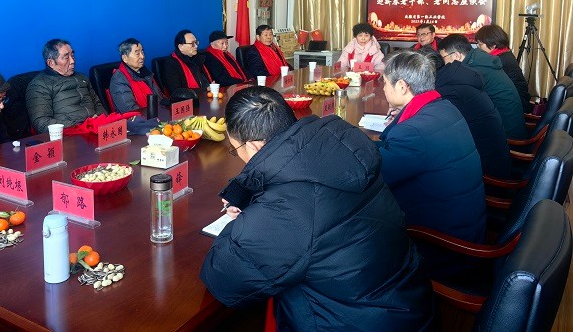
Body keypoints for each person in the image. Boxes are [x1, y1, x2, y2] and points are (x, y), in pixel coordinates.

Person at [200, 87, 434, 331]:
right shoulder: (341, 145)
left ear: (254, 146)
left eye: (235, 149)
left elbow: (223, 279)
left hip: (354, 323)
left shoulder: (288, 210)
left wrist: (241, 220)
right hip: (408, 302)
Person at [377, 51, 486, 248]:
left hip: (443, 245)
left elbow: (376, 175)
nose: (383, 88)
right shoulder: (444, 106)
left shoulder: (413, 132)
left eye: (384, 82)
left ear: (402, 86)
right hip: (467, 226)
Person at [419, 47, 511, 179]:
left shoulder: (447, 91)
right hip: (493, 159)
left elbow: (429, 132)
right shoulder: (454, 78)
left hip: (487, 174)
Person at [438, 34, 527, 139]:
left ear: (457, 55)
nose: (444, 63)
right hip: (511, 125)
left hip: (507, 135)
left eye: (443, 58)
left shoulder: (473, 71)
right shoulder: (478, 58)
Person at [26, 39, 105, 133]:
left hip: (96, 128)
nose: (72, 61)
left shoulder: (81, 77)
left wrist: (101, 119)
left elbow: (97, 103)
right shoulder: (39, 85)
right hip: (70, 133)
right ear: (51, 63)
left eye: (72, 55)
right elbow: (42, 123)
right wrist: (81, 126)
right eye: (66, 57)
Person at [475, 24, 532, 112]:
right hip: (517, 101)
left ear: (493, 45)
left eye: (480, 44)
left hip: (513, 106)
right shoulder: (505, 53)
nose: (478, 47)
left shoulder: (497, 61)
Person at [109, 38, 165, 113]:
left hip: (157, 114)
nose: (142, 56)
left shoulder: (146, 73)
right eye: (137, 53)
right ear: (125, 58)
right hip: (139, 118)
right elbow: (130, 111)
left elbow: (160, 98)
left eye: (142, 52)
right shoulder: (119, 80)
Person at [160, 30, 211, 95]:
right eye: (192, 44)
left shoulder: (196, 58)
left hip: (205, 96)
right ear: (180, 47)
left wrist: (210, 87)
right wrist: (205, 89)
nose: (196, 46)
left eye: (196, 42)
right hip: (189, 100)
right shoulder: (171, 64)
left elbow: (203, 80)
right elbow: (176, 91)